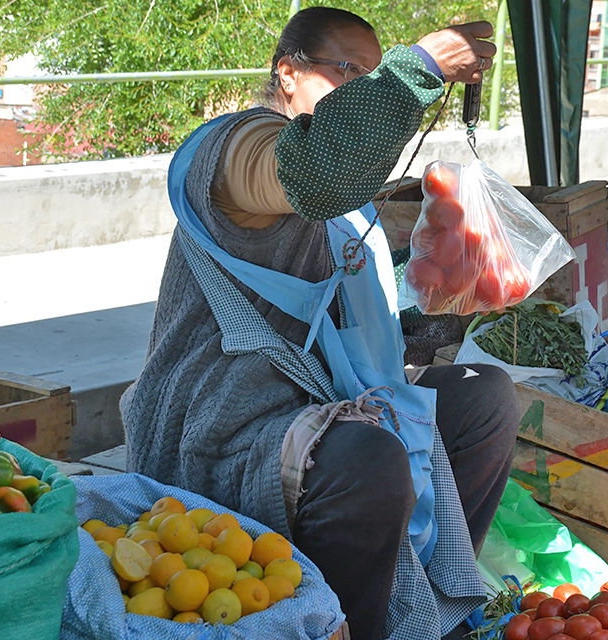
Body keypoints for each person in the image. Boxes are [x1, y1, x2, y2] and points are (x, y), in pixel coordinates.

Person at [119, 9, 519, 640]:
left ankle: (432, 614)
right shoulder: (237, 152)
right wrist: (419, 69)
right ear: (287, 73)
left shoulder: (345, 205)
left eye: (371, 72)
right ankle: (347, 628)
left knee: (484, 397)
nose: (362, 86)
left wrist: (430, 309)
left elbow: (340, 324)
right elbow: (315, 174)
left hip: (322, 403)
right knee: (368, 457)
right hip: (221, 430)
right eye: (349, 71)